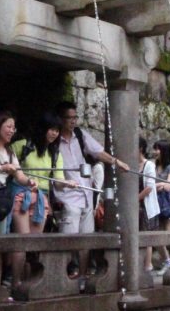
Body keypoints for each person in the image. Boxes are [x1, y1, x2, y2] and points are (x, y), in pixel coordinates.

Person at [52, 100, 129, 279]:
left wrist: (116, 162)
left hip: (86, 193)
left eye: (75, 117)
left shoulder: (80, 135)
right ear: (60, 119)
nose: (73, 121)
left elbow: (98, 152)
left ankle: (84, 276)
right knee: (69, 237)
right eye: (69, 118)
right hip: (66, 194)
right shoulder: (54, 140)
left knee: (87, 238)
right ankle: (67, 274)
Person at [0, 110, 35, 297]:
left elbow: (18, 175)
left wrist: (28, 182)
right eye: (8, 127)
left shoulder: (10, 151)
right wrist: (1, 168)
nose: (12, 131)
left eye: (14, 127)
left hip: (1, 200)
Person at [10, 112, 75, 234]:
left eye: (57, 130)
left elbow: (58, 181)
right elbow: (6, 162)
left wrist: (67, 183)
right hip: (21, 195)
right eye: (51, 129)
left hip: (41, 198)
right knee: (22, 242)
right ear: (42, 128)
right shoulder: (22, 145)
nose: (54, 133)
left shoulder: (55, 154)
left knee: (35, 242)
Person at [153, 140, 170, 273]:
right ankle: (167, 261)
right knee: (157, 237)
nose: (155, 152)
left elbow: (169, 186)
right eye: (155, 149)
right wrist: (159, 186)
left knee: (168, 237)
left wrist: (155, 186)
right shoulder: (153, 166)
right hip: (157, 204)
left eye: (158, 149)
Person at [138, 137, 160, 272]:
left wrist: (136, 199)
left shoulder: (149, 165)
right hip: (134, 208)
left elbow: (150, 187)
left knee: (146, 237)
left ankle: (148, 266)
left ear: (140, 148)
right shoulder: (131, 164)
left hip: (145, 207)